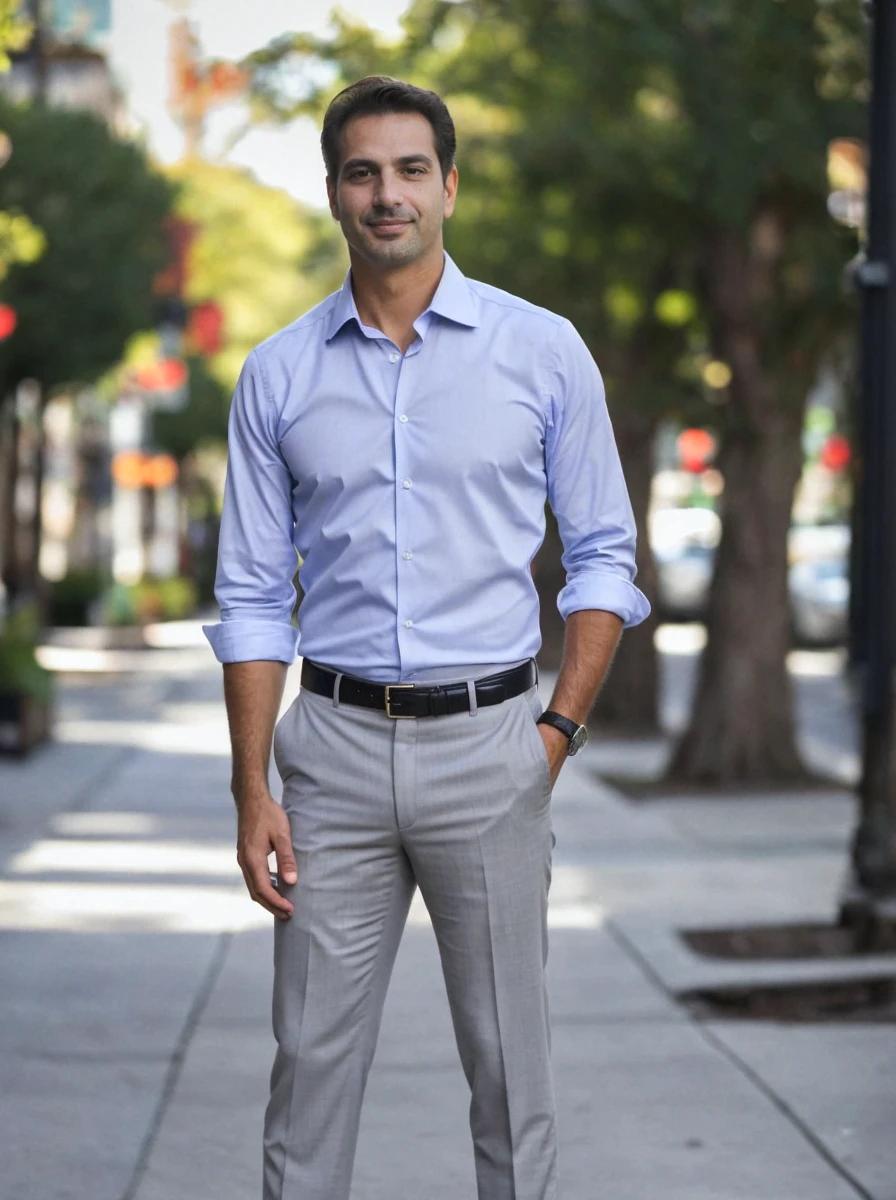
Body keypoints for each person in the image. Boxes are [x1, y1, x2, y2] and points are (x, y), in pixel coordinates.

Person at [202, 74, 650, 1200]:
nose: (386, 194)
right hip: (333, 758)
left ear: (448, 186)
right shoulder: (279, 373)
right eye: (362, 172)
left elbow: (602, 555)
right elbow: (253, 593)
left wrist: (553, 733)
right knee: (306, 1073)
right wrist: (252, 788)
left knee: (509, 1076)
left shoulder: (541, 352)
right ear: (333, 193)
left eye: (409, 170)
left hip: (492, 746)